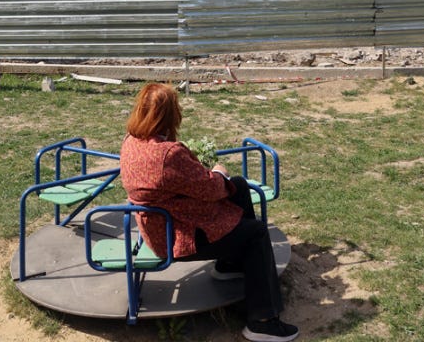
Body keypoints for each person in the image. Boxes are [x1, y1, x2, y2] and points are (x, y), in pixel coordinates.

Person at [119, 82, 299, 342]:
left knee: (238, 185)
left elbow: (182, 184)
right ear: (171, 115)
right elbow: (211, 189)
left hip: (158, 226)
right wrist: (217, 172)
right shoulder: (168, 153)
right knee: (256, 232)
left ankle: (230, 263)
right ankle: (263, 321)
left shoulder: (132, 142)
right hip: (178, 236)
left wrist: (222, 179)